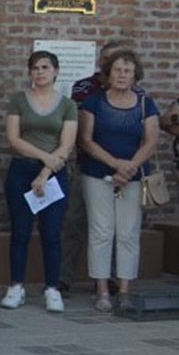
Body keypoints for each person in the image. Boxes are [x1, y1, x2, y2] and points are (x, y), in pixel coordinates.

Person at [77, 47, 160, 312]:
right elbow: (86, 141)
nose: (122, 75)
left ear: (135, 75)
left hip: (133, 178)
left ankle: (125, 290)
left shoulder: (146, 103)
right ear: (108, 74)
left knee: (128, 233)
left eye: (127, 70)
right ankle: (102, 290)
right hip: (98, 174)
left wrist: (130, 167)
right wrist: (115, 165)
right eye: (117, 70)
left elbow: (151, 141)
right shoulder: (93, 103)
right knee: (101, 231)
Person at [1, 50, 77, 313]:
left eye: (45, 67)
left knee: (51, 233)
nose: (40, 72)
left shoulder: (68, 105)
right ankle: (16, 287)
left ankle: (52, 289)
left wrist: (45, 173)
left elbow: (66, 145)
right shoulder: (19, 101)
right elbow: (14, 138)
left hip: (53, 174)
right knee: (20, 231)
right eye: (35, 68)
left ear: (55, 71)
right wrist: (44, 157)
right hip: (21, 170)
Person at [62, 39, 137, 289]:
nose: (113, 66)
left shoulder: (137, 93)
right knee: (76, 221)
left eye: (118, 61)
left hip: (126, 172)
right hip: (88, 166)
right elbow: (82, 133)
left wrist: (125, 166)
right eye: (106, 60)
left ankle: (112, 279)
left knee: (120, 228)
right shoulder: (84, 88)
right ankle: (64, 278)